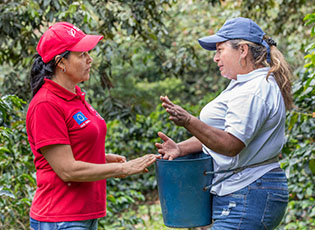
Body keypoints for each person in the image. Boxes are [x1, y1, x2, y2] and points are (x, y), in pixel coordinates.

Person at [155, 17, 292, 230]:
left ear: (243, 50)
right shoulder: (243, 85)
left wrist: (188, 121)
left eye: (220, 50)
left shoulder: (253, 90)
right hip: (241, 191)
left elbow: (230, 145)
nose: (215, 58)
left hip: (249, 191)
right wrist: (180, 148)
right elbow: (218, 134)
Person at [26, 22, 158, 230]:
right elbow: (67, 170)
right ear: (61, 63)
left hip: (83, 214)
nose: (90, 60)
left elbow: (71, 147)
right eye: (82, 55)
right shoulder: (46, 104)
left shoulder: (75, 96)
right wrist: (123, 168)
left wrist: (101, 158)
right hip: (61, 217)